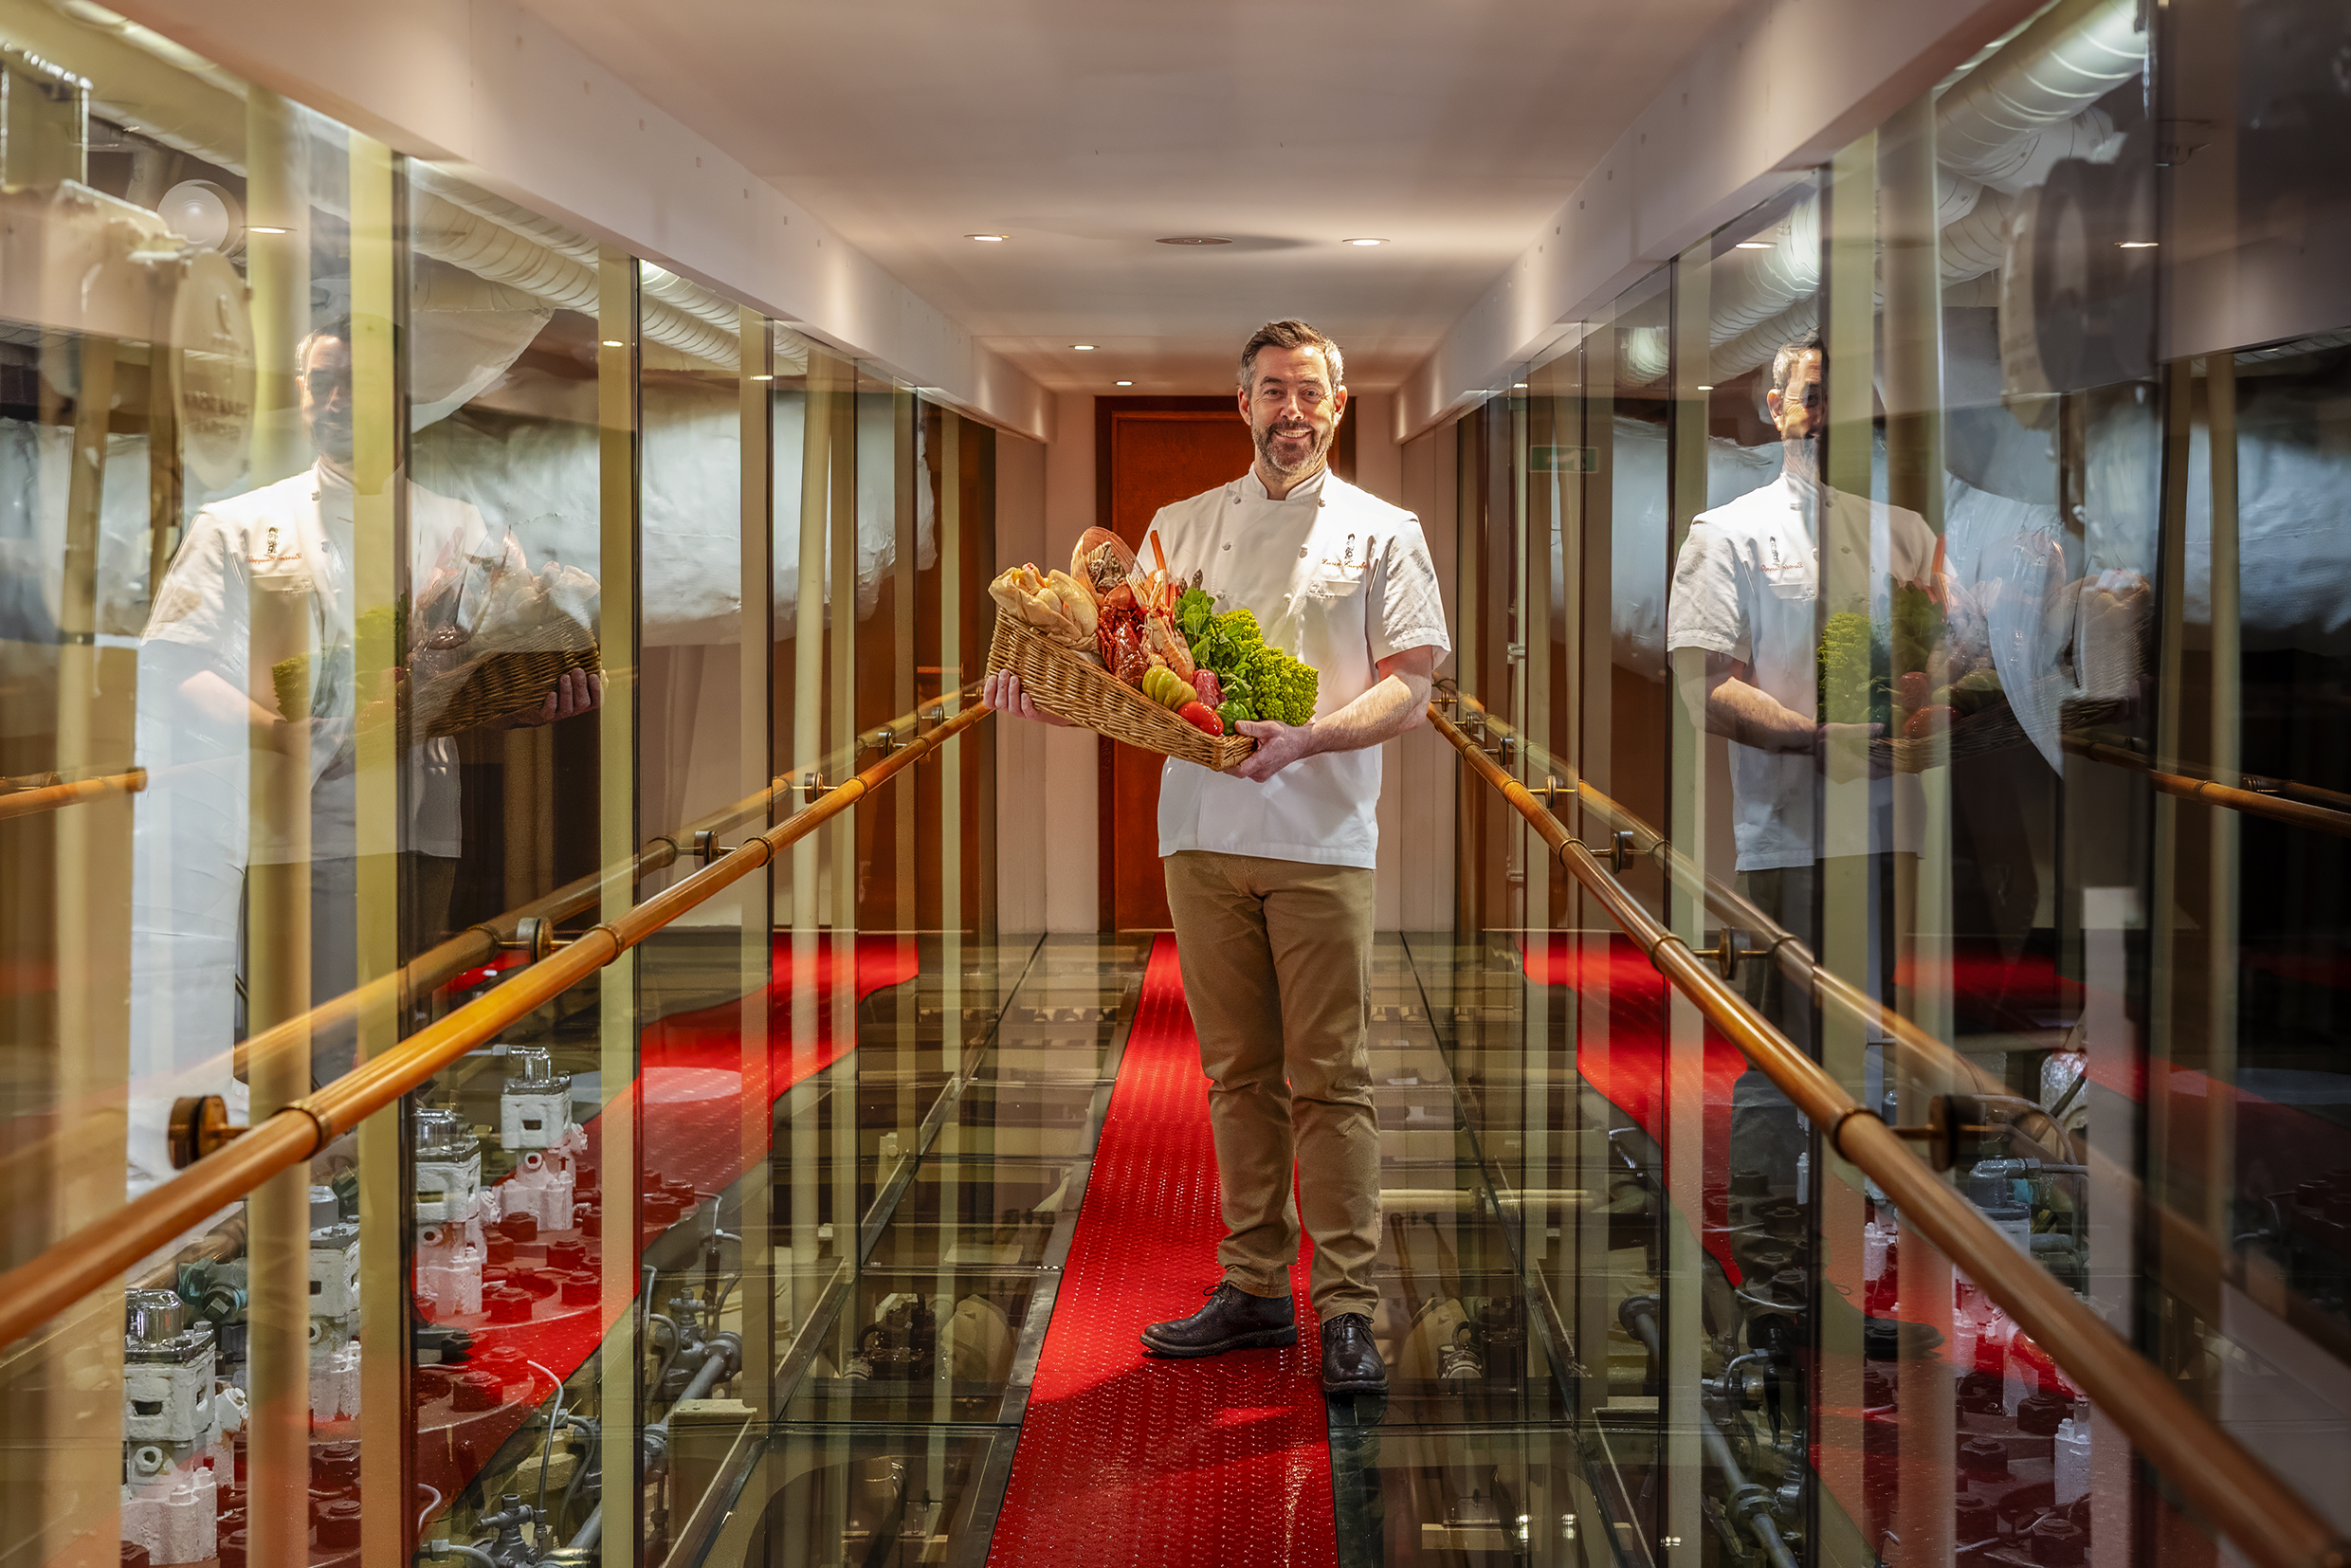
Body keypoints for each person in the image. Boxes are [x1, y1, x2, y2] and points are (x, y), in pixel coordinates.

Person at [984, 319, 1449, 1395]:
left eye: (1310, 394)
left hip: (1324, 835)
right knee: (1237, 1074)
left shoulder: (1386, 530)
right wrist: (1043, 702)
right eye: (1272, 391)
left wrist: (1313, 737)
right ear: (1239, 404)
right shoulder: (1174, 530)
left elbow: (1412, 687)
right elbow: (1126, 687)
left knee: (1330, 1078)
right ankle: (1251, 1285)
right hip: (1199, 836)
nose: (1292, 411)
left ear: (1337, 408)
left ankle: (1344, 1305)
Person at [137, 317, 598, 1137]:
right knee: (302, 1048)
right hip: (298, 830)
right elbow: (175, 666)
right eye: (324, 382)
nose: (339, 399)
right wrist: (275, 734)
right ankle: (296, 1218)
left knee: (400, 1032)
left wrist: (531, 704)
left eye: (361, 382)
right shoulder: (240, 525)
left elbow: (489, 676)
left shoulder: (461, 528)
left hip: (422, 826)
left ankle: (385, 1207)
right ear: (303, 396)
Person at [1665, 335, 1937, 1176]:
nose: (1825, 415)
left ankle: (1862, 1247)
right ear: (1775, 409)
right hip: (1790, 838)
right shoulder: (1728, 534)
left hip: (1891, 833)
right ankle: (1776, 1266)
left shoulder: (1907, 534)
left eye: (1843, 398)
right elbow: (1702, 687)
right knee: (1779, 1061)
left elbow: (1952, 659)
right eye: (1809, 396)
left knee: (1881, 1055)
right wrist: (1812, 738)